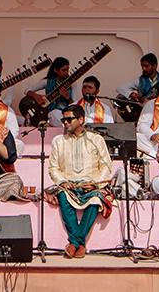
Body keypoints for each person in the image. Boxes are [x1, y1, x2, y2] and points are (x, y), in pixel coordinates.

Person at [48, 104, 113, 258]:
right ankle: (80, 243)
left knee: (96, 199)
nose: (65, 123)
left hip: (91, 185)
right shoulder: (59, 142)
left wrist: (94, 184)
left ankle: (74, 243)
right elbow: (53, 168)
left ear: (81, 120)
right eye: (64, 120)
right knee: (63, 196)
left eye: (69, 119)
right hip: (68, 185)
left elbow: (106, 166)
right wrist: (63, 182)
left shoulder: (95, 139)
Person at [23, 57, 72, 126]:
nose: (67, 72)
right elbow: (27, 90)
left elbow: (75, 104)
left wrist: (68, 97)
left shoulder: (72, 84)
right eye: (64, 70)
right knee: (54, 114)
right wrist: (37, 96)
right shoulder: (47, 81)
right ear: (56, 70)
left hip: (66, 114)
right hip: (52, 114)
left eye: (67, 69)